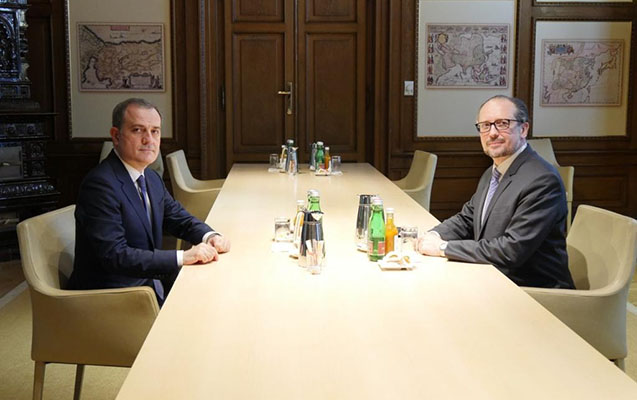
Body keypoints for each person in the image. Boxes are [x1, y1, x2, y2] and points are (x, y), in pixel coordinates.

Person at [68, 98, 230, 305]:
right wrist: (183, 256)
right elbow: (115, 255)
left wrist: (209, 236)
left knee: (217, 294)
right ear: (116, 136)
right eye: (138, 130)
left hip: (146, 282)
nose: (149, 139)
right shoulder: (100, 184)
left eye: (155, 131)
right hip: (112, 296)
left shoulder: (151, 177)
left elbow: (178, 218)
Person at [417, 95, 574, 289]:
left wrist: (443, 248)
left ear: (523, 129)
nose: (492, 133)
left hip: (533, 292)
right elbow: (467, 218)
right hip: (494, 278)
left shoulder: (542, 181)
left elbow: (510, 251)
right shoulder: (493, 172)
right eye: (485, 126)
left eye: (502, 124)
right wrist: (433, 235)